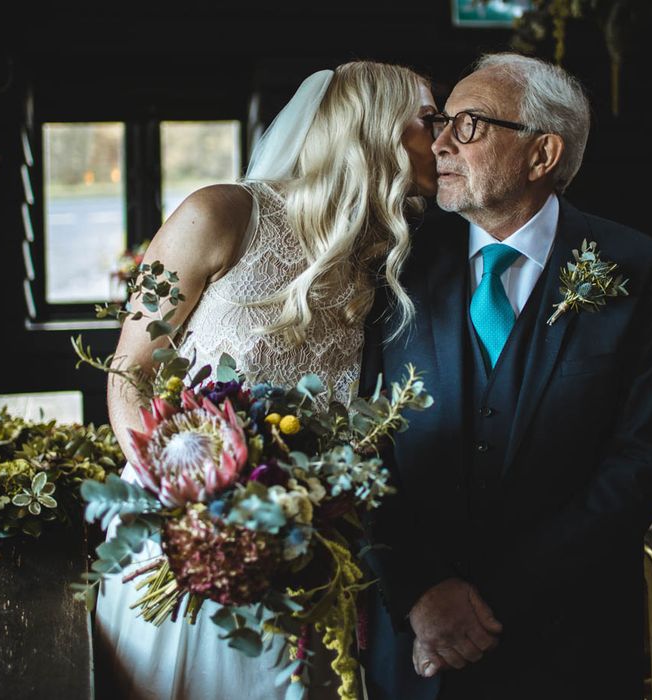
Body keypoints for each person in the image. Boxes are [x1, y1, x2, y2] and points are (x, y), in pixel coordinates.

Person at [94, 61, 438, 700]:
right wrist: (200, 505)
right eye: (429, 119)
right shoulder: (219, 214)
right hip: (194, 537)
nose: (443, 137)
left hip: (311, 554)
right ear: (376, 128)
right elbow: (130, 371)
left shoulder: (386, 251)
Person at [361, 52, 652, 700]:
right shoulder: (393, 263)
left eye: (469, 125)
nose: (440, 142)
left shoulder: (640, 270)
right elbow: (361, 443)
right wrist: (420, 591)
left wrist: (487, 601)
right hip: (418, 648)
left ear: (542, 155)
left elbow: (640, 461)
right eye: (441, 122)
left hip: (571, 646)